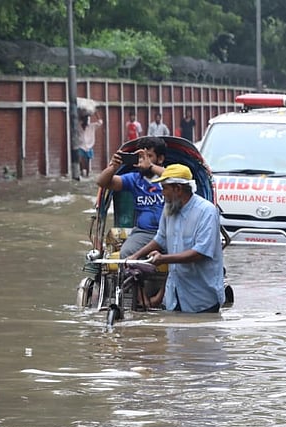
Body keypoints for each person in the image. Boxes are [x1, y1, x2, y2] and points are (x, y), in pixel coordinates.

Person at [128, 164, 225, 314]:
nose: (162, 192)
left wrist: (164, 259)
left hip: (201, 297)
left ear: (178, 189)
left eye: (165, 188)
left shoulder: (207, 212)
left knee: (201, 335)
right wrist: (135, 256)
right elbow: (160, 238)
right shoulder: (169, 209)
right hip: (174, 294)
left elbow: (200, 252)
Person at [94, 136, 168, 257]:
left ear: (160, 159)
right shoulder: (134, 179)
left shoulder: (169, 176)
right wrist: (113, 167)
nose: (143, 160)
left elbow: (179, 178)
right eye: (140, 157)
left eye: (149, 156)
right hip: (144, 232)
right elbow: (101, 182)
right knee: (126, 253)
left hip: (171, 232)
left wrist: (150, 166)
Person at [75, 108, 104, 178]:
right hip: (81, 146)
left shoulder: (92, 126)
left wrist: (96, 113)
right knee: (79, 159)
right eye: (84, 120)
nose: (85, 121)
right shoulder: (78, 126)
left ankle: (87, 175)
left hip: (89, 146)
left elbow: (100, 122)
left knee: (87, 161)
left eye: (86, 120)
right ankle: (81, 172)